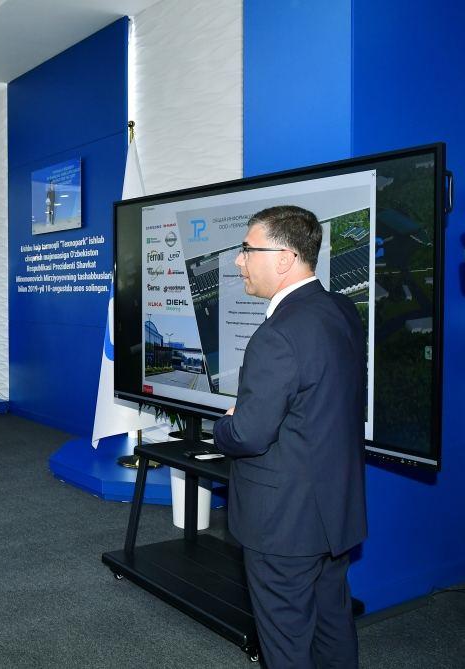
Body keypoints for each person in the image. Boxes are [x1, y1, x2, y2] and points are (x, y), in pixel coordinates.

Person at [212, 205, 367, 669]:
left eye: (247, 249)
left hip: (282, 524)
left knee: (286, 645)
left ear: (284, 258)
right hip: (333, 512)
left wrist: (225, 424)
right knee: (332, 627)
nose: (238, 260)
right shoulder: (341, 309)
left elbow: (248, 434)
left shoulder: (277, 334)